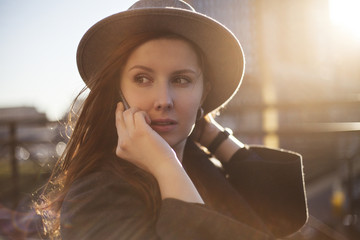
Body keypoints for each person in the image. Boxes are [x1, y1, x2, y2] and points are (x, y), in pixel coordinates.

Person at [35, 0, 308, 239]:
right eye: (142, 79)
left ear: (204, 92)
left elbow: (284, 213)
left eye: (181, 80)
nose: (164, 99)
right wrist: (165, 165)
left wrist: (213, 136)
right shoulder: (96, 195)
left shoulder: (197, 162)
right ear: (118, 92)